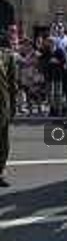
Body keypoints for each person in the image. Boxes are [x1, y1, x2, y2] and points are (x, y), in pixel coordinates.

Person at [0, 32, 17, 187]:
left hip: (2, 104)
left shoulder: (7, 56)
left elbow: (13, 84)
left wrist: (13, 106)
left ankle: (0, 171)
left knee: (3, 141)